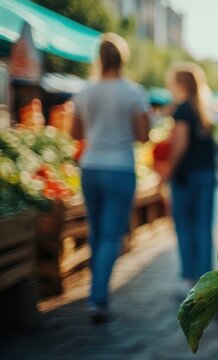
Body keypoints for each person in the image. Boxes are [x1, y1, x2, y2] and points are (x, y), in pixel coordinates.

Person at [71, 33, 150, 323]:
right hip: (120, 168)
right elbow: (143, 136)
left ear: (99, 58)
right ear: (123, 59)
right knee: (110, 236)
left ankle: (96, 291)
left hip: (90, 167)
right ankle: (98, 298)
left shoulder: (84, 92)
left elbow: (74, 133)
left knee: (96, 232)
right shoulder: (133, 93)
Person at [158, 62, 217, 293]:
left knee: (184, 225)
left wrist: (169, 170)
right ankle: (206, 279)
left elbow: (180, 143)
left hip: (186, 176)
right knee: (203, 226)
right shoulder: (202, 110)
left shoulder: (182, 109)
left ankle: (188, 278)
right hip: (206, 173)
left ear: (180, 83)